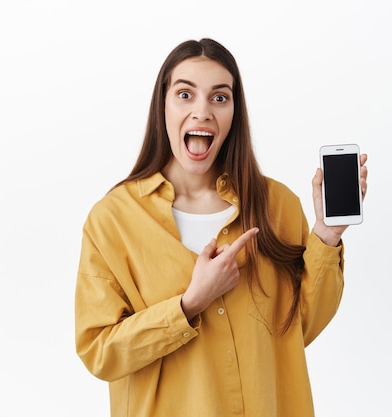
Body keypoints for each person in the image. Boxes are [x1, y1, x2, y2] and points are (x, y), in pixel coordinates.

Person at [74, 38, 368, 417]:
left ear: (234, 112)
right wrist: (189, 304)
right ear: (162, 105)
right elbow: (100, 353)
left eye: (219, 97)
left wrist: (327, 236)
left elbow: (296, 330)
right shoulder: (113, 219)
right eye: (184, 94)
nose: (202, 112)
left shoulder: (277, 205)